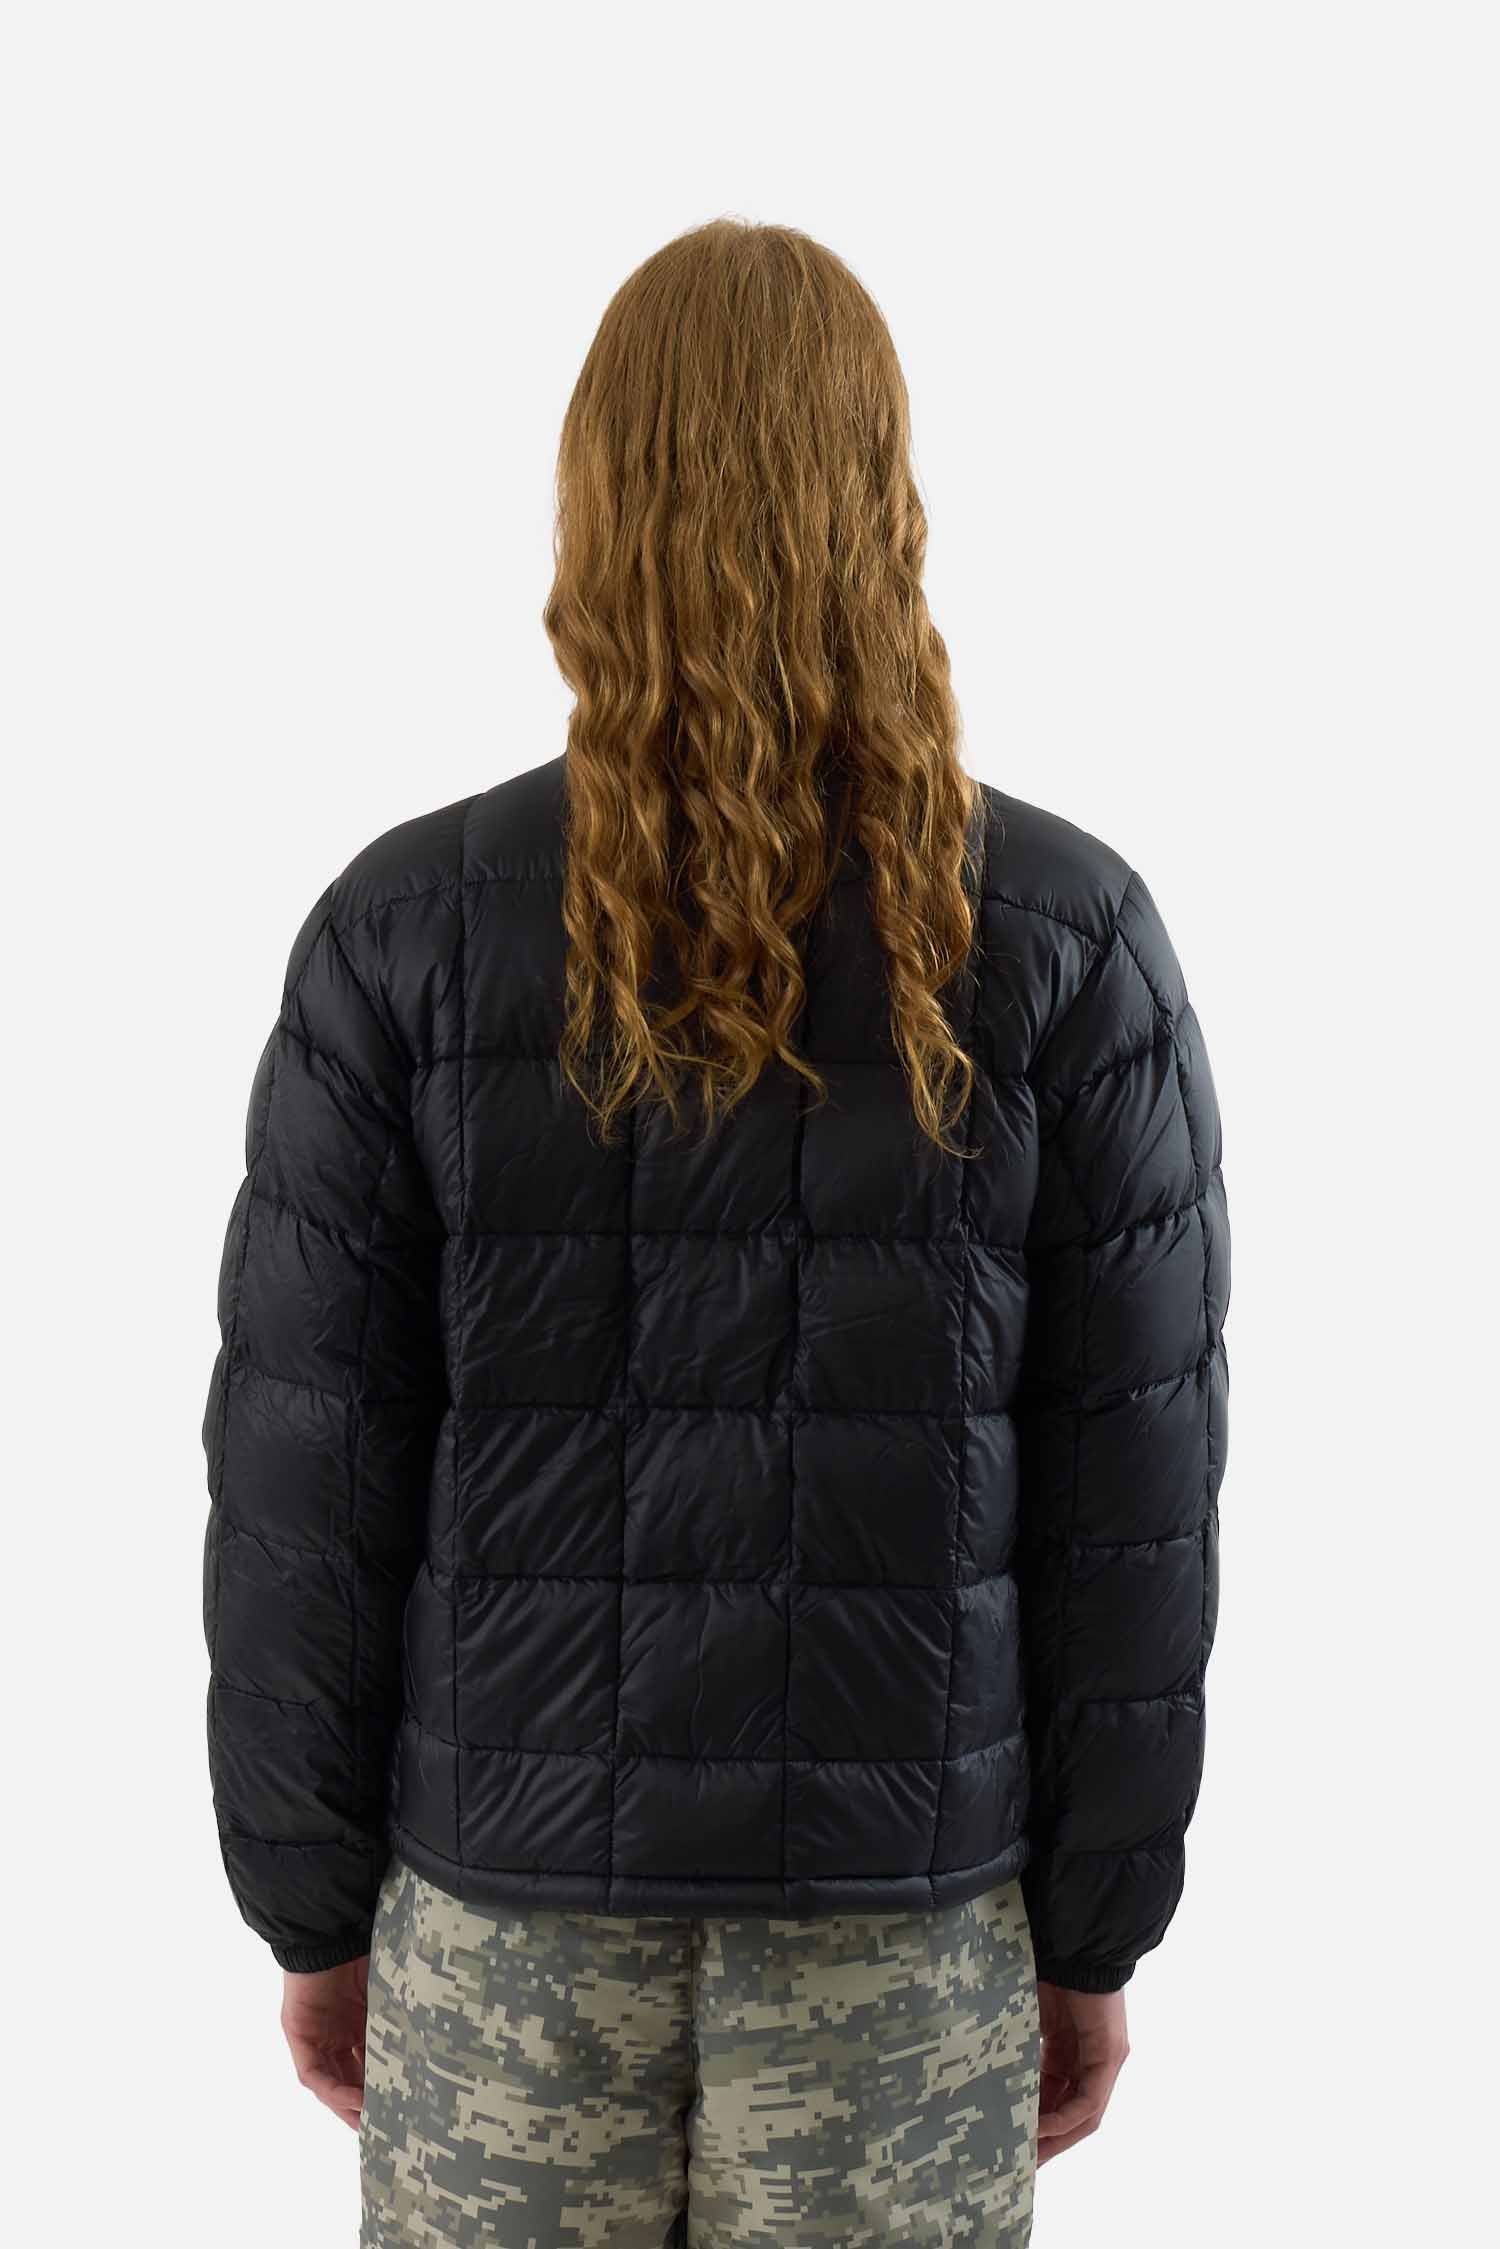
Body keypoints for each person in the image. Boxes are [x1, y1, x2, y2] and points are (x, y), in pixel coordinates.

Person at [202, 218, 1229, 2248]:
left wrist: (310, 1904)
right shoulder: (1065, 941)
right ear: (883, 503)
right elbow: (1136, 1504)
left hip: (499, 1929)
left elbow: (306, 1481)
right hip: (902, 1940)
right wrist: (1097, 1927)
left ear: (593, 500)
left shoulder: (401, 932)